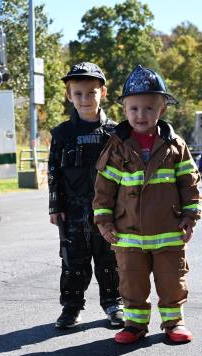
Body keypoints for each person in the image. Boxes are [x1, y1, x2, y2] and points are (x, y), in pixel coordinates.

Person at [92, 65, 202, 344]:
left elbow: (189, 183)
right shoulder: (117, 146)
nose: (141, 115)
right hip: (128, 234)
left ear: (162, 109)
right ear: (125, 110)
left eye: (149, 109)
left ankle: (174, 322)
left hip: (168, 231)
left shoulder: (175, 145)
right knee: (131, 280)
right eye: (134, 109)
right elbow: (104, 189)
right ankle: (135, 324)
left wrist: (190, 216)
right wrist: (104, 222)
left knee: (171, 279)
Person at [48, 62, 124, 329]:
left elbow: (125, 173)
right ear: (69, 95)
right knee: (73, 260)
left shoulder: (116, 133)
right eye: (78, 93)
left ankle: (114, 305)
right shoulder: (62, 134)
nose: (84, 99)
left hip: (109, 211)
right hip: (72, 210)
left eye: (91, 93)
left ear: (102, 93)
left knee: (109, 259)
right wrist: (54, 205)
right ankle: (71, 308)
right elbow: (54, 171)